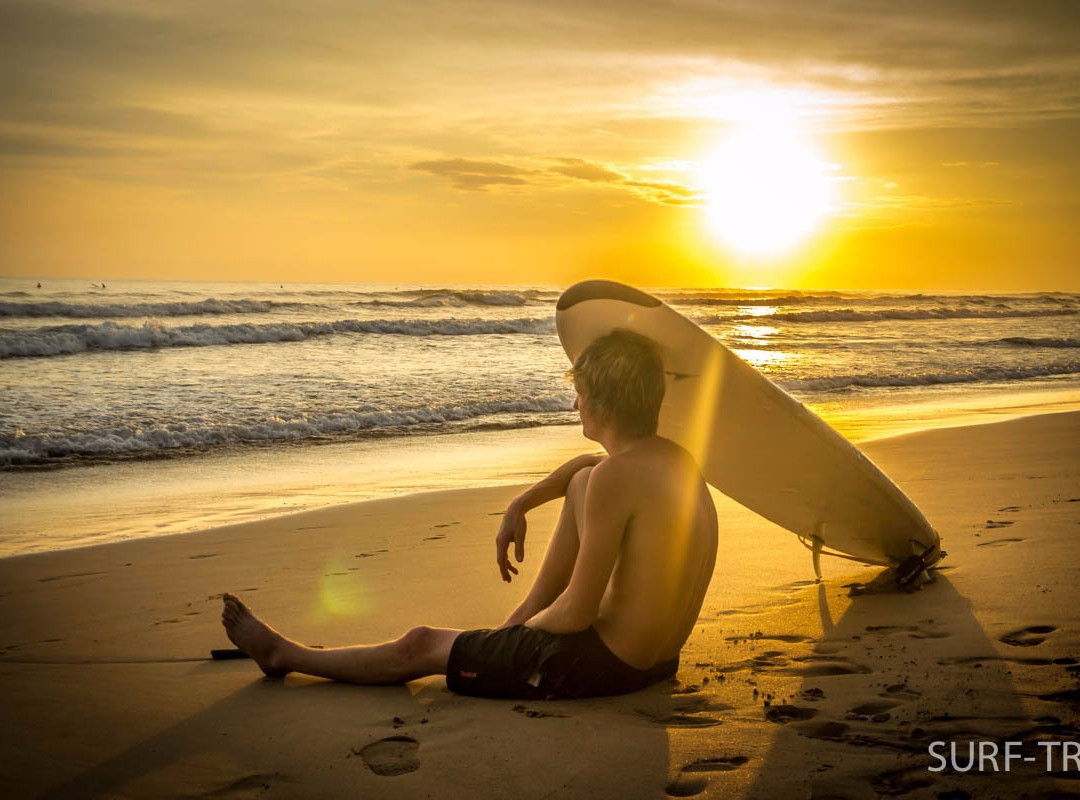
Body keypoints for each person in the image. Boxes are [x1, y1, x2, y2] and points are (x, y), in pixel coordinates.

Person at [221, 328, 718, 699]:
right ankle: (505, 632)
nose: (575, 403)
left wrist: (507, 641)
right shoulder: (675, 462)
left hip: (598, 670)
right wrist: (522, 502)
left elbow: (576, 614)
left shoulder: (616, 479)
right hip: (655, 663)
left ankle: (285, 655)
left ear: (603, 406)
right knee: (583, 480)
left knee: (421, 644)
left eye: (582, 394)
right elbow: (587, 470)